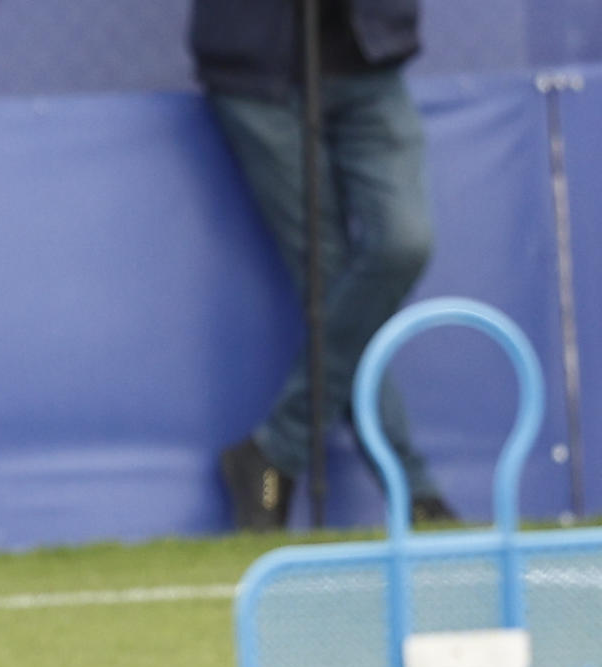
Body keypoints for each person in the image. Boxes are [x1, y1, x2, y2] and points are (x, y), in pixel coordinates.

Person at [192, 0, 457, 531]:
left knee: (402, 244)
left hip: (371, 64)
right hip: (261, 77)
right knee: (330, 279)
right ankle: (414, 494)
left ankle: (273, 453)